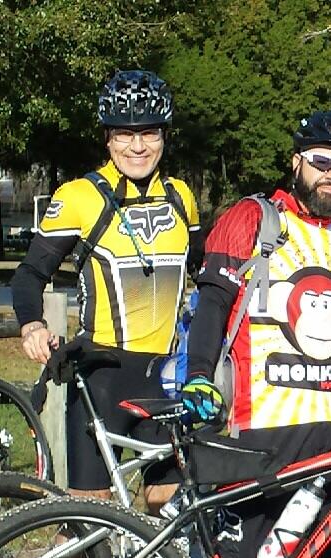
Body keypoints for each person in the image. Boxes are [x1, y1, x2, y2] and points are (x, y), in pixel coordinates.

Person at [181, 110, 331, 558]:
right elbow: (212, 306)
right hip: (264, 430)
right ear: (296, 162)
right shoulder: (253, 218)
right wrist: (200, 377)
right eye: (322, 162)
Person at [11, 70, 202, 510]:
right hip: (102, 376)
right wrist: (32, 326)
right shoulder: (81, 196)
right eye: (124, 134)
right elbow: (30, 274)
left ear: (164, 136)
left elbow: (207, 273)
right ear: (107, 139)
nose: (137, 147)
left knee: (169, 506)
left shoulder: (181, 196)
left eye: (148, 133)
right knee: (88, 515)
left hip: (165, 375)